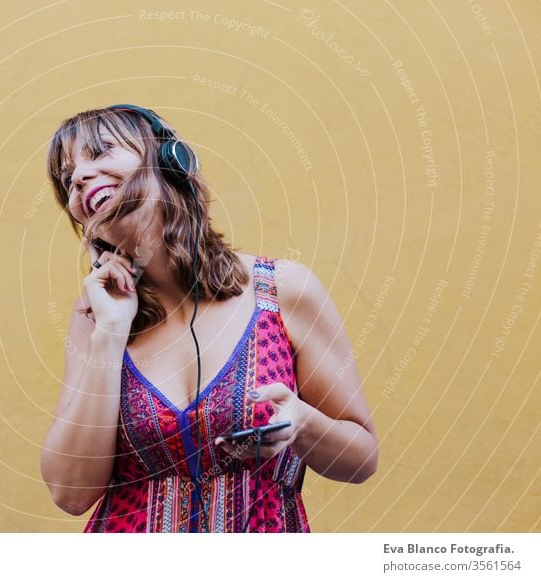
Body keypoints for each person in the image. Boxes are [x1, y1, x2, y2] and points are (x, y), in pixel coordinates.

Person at [40, 105, 378, 533]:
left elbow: (362, 459)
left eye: (101, 151)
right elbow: (70, 493)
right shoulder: (95, 315)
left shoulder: (280, 290)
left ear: (172, 163)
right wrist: (109, 332)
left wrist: (302, 422)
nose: (80, 178)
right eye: (68, 178)